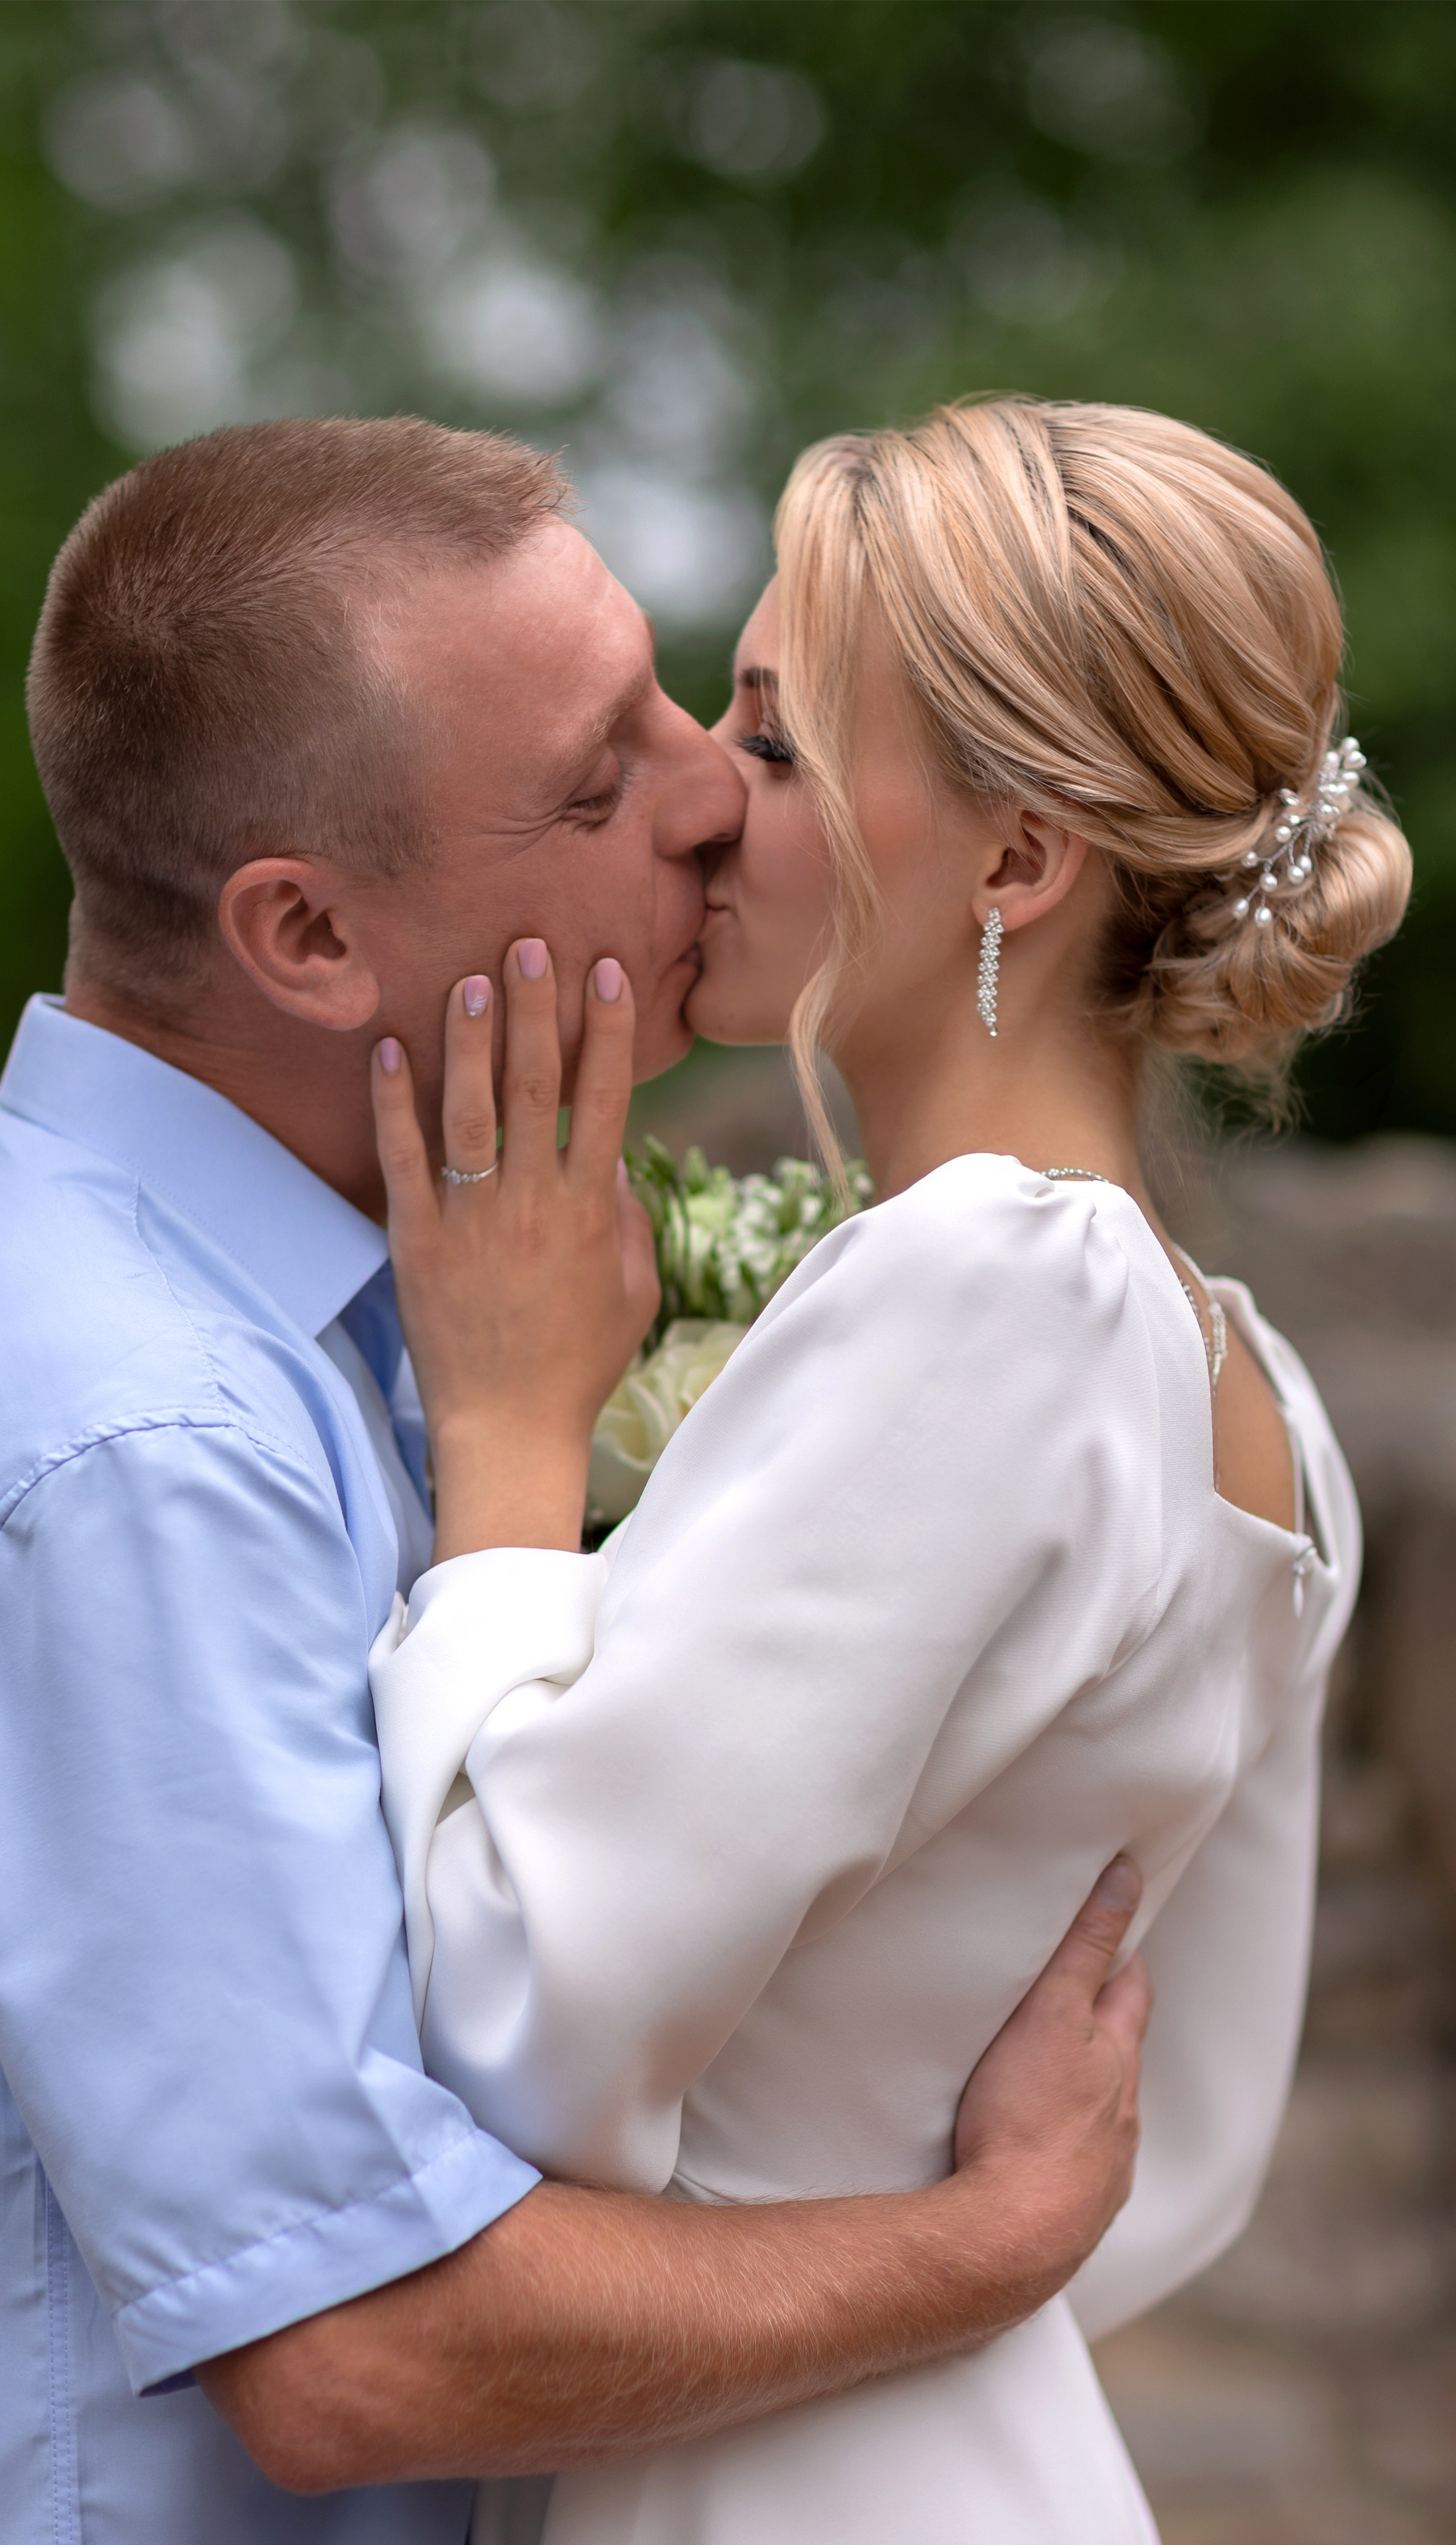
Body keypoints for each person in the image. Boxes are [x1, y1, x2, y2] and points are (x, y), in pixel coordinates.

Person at [0, 418, 1153, 2545]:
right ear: (308, 935)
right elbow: (358, 2346)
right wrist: (986, 2243)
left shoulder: (342, 1312)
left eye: (686, 697)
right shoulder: (126, 1450)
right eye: (602, 779)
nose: (711, 796)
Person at [365, 400, 1413, 2542]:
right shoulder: (1263, 1404)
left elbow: (521, 2009)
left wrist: (502, 1440)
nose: (696, 814)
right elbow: (1175, 2155)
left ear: (1018, 859)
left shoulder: (986, 1296)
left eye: (769, 746)